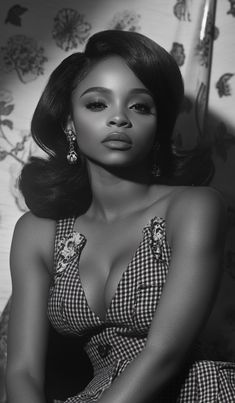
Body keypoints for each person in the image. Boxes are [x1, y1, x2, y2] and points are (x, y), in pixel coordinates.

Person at [6, 30, 235, 403]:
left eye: (140, 106)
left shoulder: (194, 208)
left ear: (158, 127)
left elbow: (165, 354)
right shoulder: (38, 231)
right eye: (97, 104)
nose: (119, 119)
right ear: (69, 121)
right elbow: (22, 371)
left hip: (192, 392)